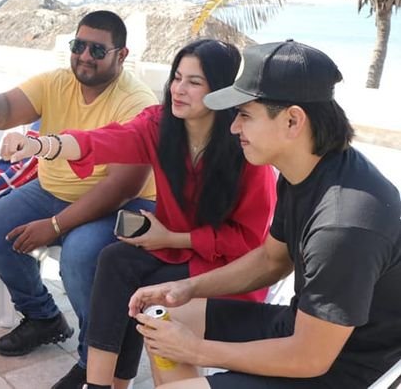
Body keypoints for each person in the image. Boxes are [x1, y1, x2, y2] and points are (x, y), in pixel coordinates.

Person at [123, 41, 401, 388]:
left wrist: (198, 351)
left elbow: (310, 358)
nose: (233, 128)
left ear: (292, 120)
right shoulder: (304, 169)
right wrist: (185, 287)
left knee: (183, 367)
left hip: (341, 369)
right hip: (302, 327)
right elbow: (271, 260)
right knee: (167, 319)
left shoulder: (344, 224)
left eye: (245, 114)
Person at [2, 39, 278, 388]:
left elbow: (249, 242)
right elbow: (103, 140)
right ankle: (100, 384)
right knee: (115, 261)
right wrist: (42, 145)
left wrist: (171, 237)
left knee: (147, 290)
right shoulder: (160, 124)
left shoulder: (246, 148)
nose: (179, 89)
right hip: (173, 245)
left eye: (194, 82)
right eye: (177, 77)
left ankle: (120, 380)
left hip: (224, 264)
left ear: (221, 90)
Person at [0, 10, 158, 389]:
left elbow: (123, 187)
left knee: (82, 255)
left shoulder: (136, 102)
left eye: (97, 49)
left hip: (122, 204)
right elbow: (2, 111)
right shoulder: (56, 82)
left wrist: (54, 227)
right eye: (78, 45)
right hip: (52, 190)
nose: (84, 56)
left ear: (122, 54)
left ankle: (92, 356)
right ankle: (44, 317)